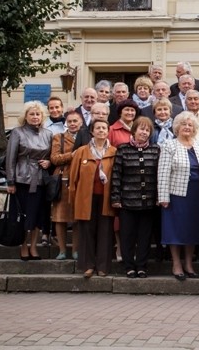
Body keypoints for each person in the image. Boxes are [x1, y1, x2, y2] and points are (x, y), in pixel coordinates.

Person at [157, 111, 199, 281]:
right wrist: (163, 196)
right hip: (177, 195)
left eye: (190, 125)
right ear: (177, 127)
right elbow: (163, 172)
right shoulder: (169, 145)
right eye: (184, 124)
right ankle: (176, 264)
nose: (187, 127)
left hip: (198, 195)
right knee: (175, 230)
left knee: (192, 229)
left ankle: (188, 263)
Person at [110, 117, 160, 279]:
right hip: (127, 201)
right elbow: (116, 175)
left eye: (147, 130)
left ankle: (141, 266)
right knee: (127, 235)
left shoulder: (155, 150)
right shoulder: (123, 149)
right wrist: (116, 198)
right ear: (134, 130)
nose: (144, 133)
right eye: (141, 129)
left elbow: (159, 176)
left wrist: (159, 197)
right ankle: (129, 266)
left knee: (145, 236)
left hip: (148, 202)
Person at [69, 118, 117, 278]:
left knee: (105, 233)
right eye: (98, 128)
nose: (101, 130)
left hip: (105, 198)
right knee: (87, 232)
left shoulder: (114, 152)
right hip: (85, 199)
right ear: (92, 131)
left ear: (108, 131)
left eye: (104, 128)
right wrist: (73, 200)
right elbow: (73, 178)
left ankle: (103, 267)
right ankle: (88, 266)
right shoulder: (82, 151)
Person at [6, 101, 53, 261]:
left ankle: (34, 245)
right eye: (31, 114)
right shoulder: (17, 132)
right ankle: (23, 245)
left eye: (38, 114)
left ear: (42, 116)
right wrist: (10, 181)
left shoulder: (48, 134)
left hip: (41, 180)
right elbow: (10, 158)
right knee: (24, 215)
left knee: (38, 215)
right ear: (25, 116)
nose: (35, 117)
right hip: (22, 179)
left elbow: (51, 156)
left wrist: (49, 162)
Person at [49, 111, 82, 260]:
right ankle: (62, 250)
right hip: (62, 179)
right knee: (60, 217)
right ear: (66, 123)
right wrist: (72, 155)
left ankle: (76, 250)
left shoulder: (86, 137)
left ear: (81, 122)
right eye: (70, 121)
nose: (73, 124)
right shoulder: (59, 138)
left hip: (80, 179)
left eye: (76, 121)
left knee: (77, 217)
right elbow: (54, 158)